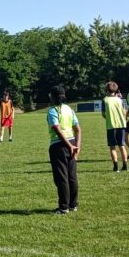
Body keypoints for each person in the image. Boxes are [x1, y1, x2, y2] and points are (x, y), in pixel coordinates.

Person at [47, 85, 81, 214]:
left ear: (53, 97)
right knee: (72, 176)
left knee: (61, 177)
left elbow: (56, 128)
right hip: (71, 142)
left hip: (59, 145)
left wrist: (69, 145)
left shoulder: (52, 110)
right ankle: (73, 204)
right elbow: (78, 129)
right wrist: (76, 146)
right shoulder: (69, 109)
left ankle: (63, 207)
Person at [100, 82, 129, 173]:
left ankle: (115, 167)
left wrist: (108, 118)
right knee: (122, 146)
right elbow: (124, 112)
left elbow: (103, 114)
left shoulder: (105, 100)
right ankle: (125, 166)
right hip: (121, 125)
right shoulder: (120, 100)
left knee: (112, 147)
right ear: (116, 89)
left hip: (111, 126)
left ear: (106, 90)